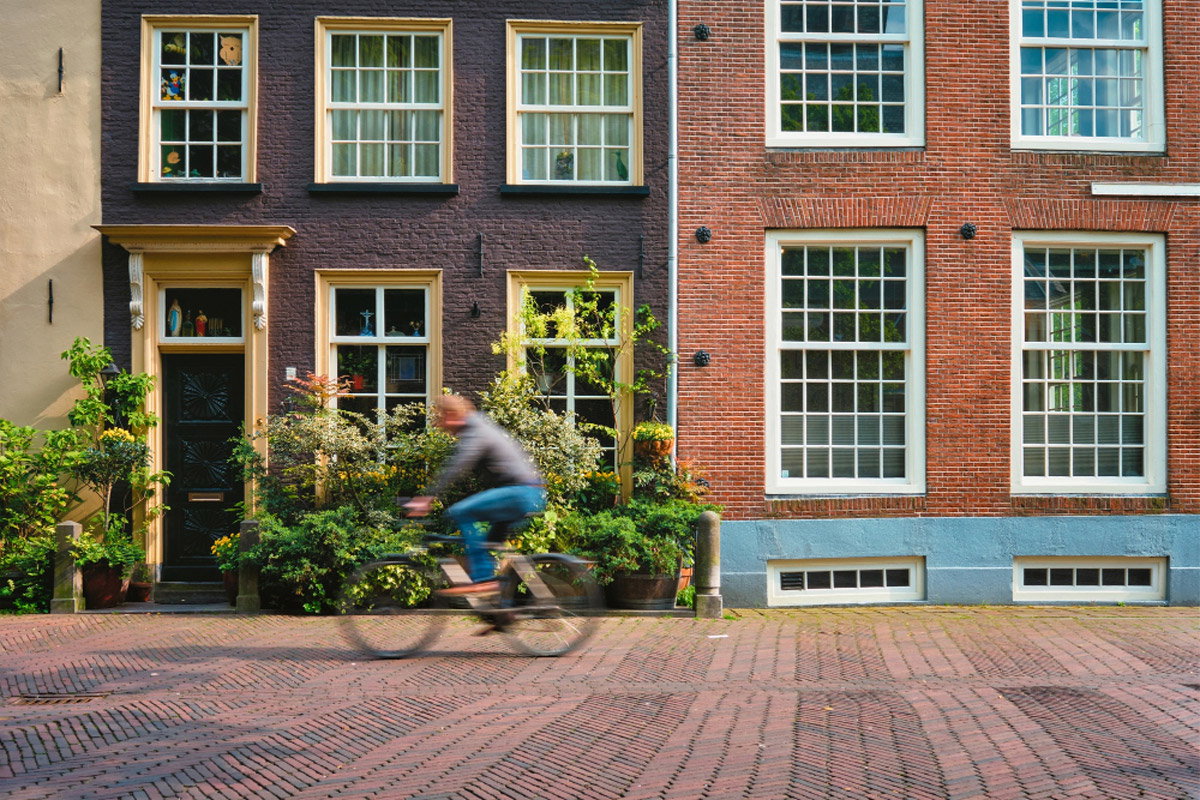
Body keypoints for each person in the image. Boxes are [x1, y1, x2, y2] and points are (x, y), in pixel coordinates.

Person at [404, 394, 545, 595]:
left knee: (461, 512)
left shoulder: (475, 431)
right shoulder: (479, 426)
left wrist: (428, 497)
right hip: (528, 492)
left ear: (452, 415)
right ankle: (500, 610)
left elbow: (457, 466)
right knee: (487, 543)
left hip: (520, 493)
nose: (441, 426)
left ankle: (484, 579)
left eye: (441, 419)